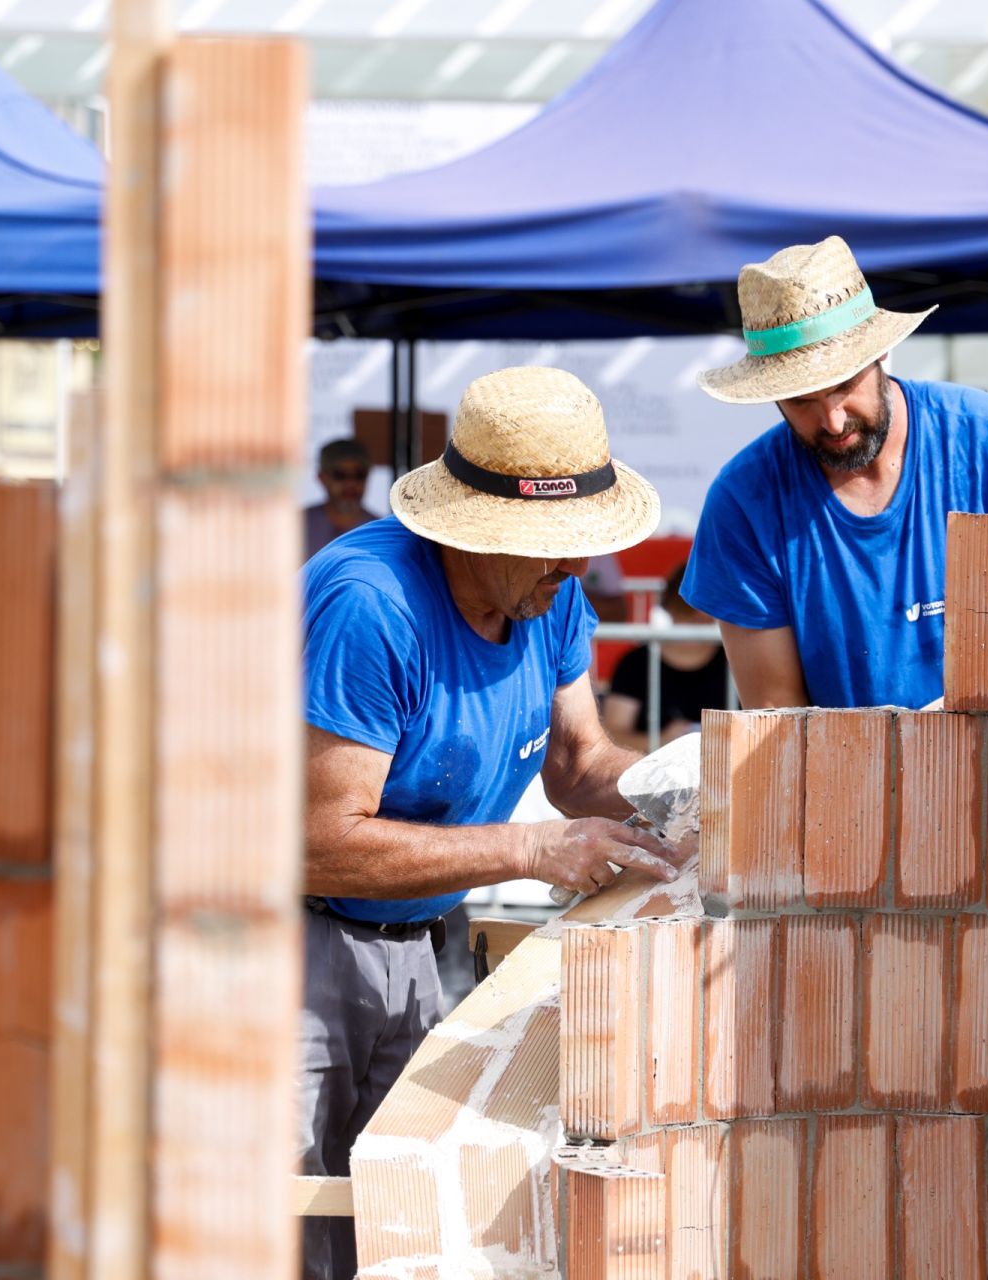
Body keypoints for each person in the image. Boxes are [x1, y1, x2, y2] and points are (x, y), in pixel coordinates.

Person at [299, 366, 679, 1279]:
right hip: (295, 947)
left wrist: (682, 797)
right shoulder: (372, 602)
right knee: (284, 1215)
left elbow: (578, 766)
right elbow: (318, 843)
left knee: (396, 1221)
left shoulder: (547, 597)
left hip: (419, 937)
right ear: (473, 530)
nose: (573, 568)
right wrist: (530, 848)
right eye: (551, 547)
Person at [680, 235, 988, 709]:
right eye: (801, 401)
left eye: (843, 386)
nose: (833, 421)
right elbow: (778, 718)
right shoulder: (743, 502)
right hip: (837, 757)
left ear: (880, 356)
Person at [602, 563, 730, 752]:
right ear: (669, 607)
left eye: (707, 609)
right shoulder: (636, 663)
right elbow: (613, 735)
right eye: (688, 611)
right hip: (653, 768)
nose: (700, 616)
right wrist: (663, 741)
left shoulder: (733, 661)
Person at [303, 437, 378, 561]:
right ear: (322, 478)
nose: (350, 483)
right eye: (340, 475)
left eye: (359, 475)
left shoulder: (379, 531)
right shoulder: (298, 525)